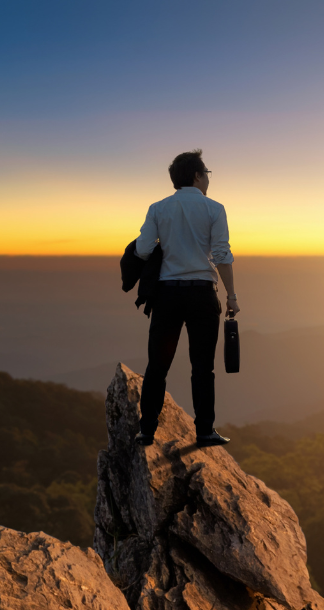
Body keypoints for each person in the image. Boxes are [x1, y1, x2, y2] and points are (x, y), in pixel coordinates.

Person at [129, 149, 237, 446]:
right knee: (202, 366)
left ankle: (146, 430)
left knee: (157, 364)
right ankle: (204, 431)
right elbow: (221, 254)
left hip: (167, 296)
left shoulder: (158, 208)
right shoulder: (215, 209)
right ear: (197, 176)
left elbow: (143, 249)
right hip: (202, 295)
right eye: (207, 174)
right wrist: (232, 295)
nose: (208, 180)